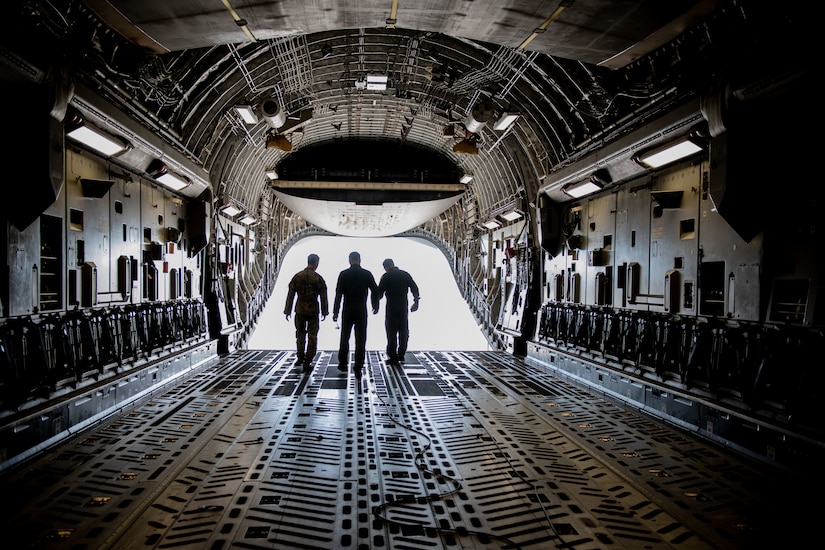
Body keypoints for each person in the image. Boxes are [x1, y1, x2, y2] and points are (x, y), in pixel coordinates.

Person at [332, 251, 380, 379]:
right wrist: (375, 305)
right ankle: (358, 367)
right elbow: (375, 290)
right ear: (360, 260)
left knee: (344, 337)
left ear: (349, 260)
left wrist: (335, 311)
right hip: (361, 309)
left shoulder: (343, 274)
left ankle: (343, 363)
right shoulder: (366, 274)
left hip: (347, 309)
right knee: (361, 339)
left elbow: (339, 294)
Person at [284, 253, 329, 373]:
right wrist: (325, 311)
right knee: (312, 336)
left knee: (300, 334)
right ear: (316, 263)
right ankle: (308, 361)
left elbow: (291, 295)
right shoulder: (318, 278)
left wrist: (287, 310)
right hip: (313, 309)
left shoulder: (297, 276)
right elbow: (324, 296)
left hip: (300, 309)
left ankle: (300, 357)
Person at [377, 258, 420, 367]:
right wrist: (416, 302)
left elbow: (379, 294)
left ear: (386, 267)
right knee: (403, 329)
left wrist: (375, 303)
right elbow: (414, 287)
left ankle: (392, 356)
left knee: (391, 331)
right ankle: (401, 353)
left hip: (391, 307)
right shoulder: (404, 274)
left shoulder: (386, 276)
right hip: (403, 306)